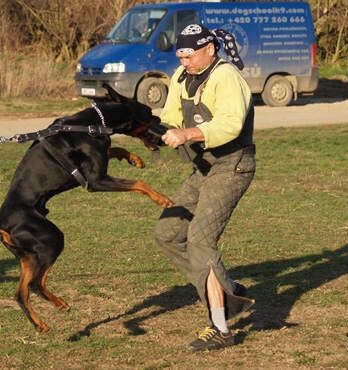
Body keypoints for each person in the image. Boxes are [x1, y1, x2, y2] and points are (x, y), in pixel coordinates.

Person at [147, 24, 256, 351]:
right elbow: (170, 116)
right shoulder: (181, 76)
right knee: (167, 233)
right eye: (180, 54)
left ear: (210, 48)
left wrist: (187, 134)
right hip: (203, 168)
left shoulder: (226, 77)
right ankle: (227, 291)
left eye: (189, 54)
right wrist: (150, 131)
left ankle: (221, 327)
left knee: (200, 241)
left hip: (232, 165)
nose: (184, 60)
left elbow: (230, 124)